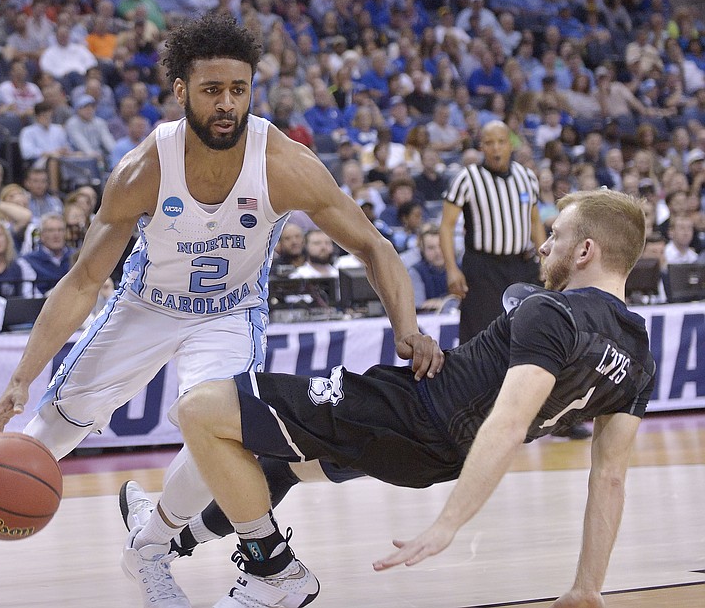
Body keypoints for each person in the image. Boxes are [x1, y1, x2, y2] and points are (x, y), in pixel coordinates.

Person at [0, 14, 440, 608]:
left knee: (213, 430)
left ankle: (150, 547)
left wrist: (408, 328)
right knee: (52, 428)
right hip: (146, 305)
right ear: (182, 91)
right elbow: (84, 280)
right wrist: (18, 381)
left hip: (229, 313)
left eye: (238, 90)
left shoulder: (283, 163)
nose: (227, 104)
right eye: (212, 90)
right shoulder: (143, 169)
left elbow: (373, 244)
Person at [166, 188, 656, 608]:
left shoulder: (550, 310)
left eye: (556, 237)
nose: (544, 247)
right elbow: (610, 478)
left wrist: (447, 526)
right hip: (435, 460)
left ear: (586, 249)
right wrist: (588, 587)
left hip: (405, 412)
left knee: (201, 408)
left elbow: (507, 424)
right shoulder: (639, 355)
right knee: (285, 467)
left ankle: (274, 574)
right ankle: (171, 540)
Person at [439, 120, 545, 344]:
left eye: (501, 142)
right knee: (480, 336)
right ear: (481, 147)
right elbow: (447, 226)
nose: (496, 148)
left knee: (528, 331)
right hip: (482, 267)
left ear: (510, 145)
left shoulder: (527, 177)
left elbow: (535, 222)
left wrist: (545, 261)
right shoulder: (467, 179)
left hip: (521, 265)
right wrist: (451, 269)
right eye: (489, 143)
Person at [22, 212, 72, 295]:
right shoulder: (29, 261)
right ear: (42, 235)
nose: (56, 235)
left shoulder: (76, 257)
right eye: (50, 230)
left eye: (60, 230)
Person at [407, 223, 451, 311]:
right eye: (431, 248)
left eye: (441, 246)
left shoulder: (459, 268)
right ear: (422, 250)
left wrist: (440, 303)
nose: (438, 252)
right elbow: (418, 305)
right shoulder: (416, 272)